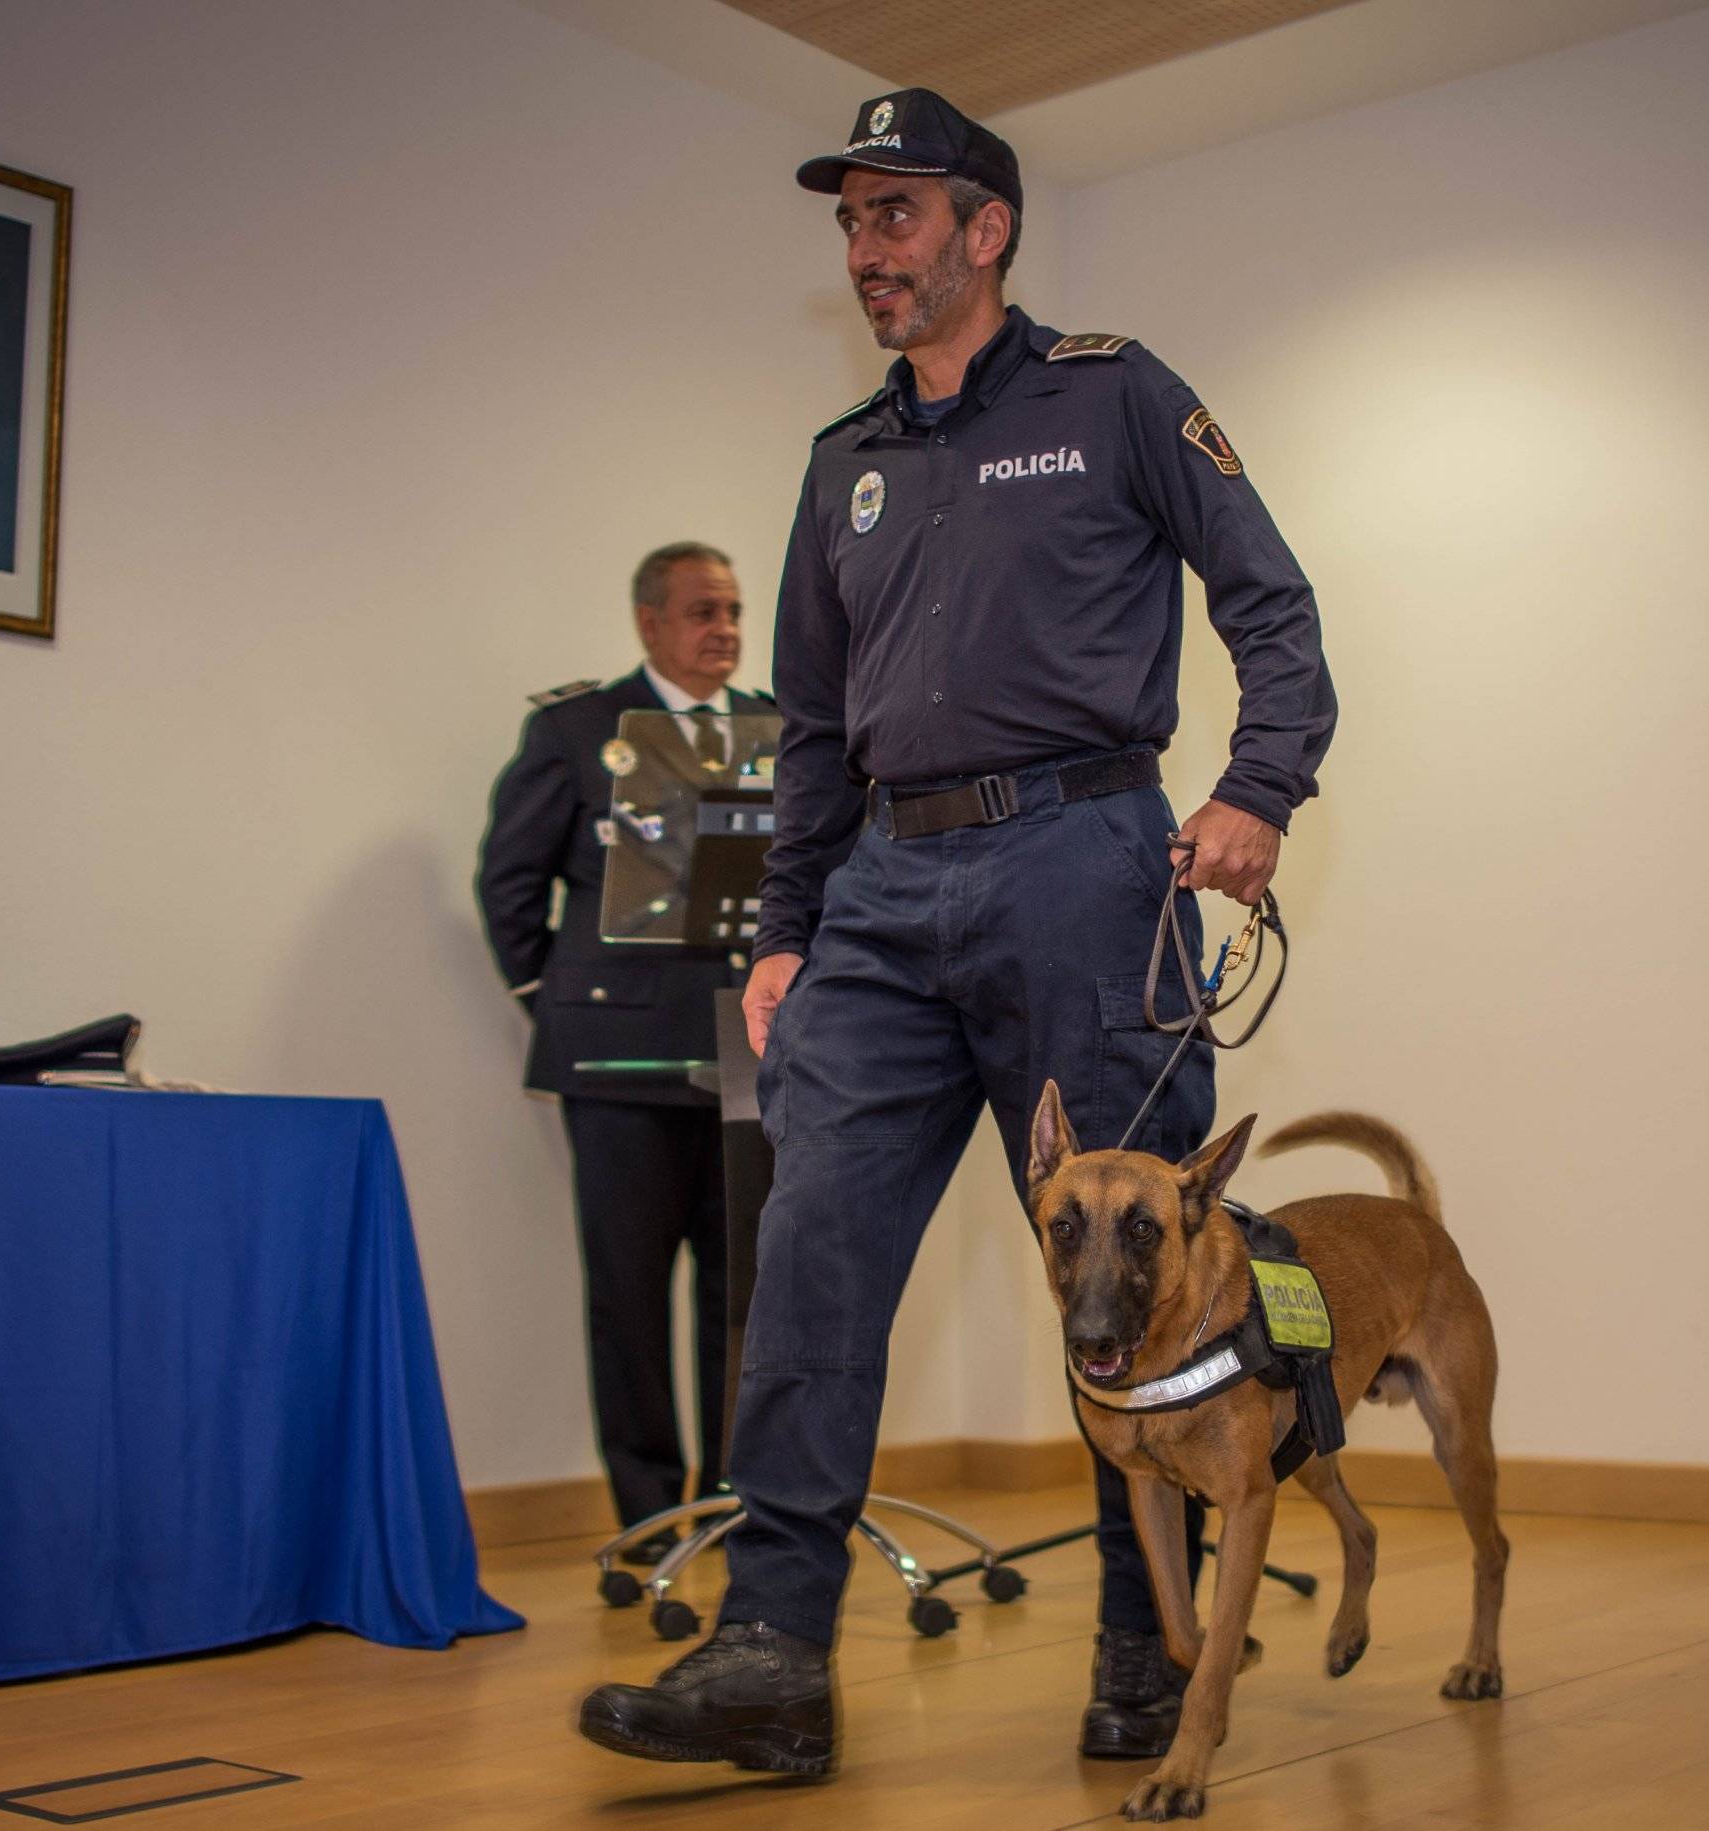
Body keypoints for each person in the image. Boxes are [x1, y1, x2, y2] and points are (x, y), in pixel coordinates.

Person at [578, 90, 1334, 1776]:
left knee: (1136, 1271)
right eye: (849, 223)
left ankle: (1144, 1654)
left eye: (896, 216)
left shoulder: (1117, 394)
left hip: (1082, 862)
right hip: (878, 902)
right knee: (812, 1258)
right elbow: (815, 728)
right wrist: (784, 928)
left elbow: (1273, 609)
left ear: (985, 228)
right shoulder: (843, 461)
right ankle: (772, 1652)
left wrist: (1259, 788)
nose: (866, 251)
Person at [476, 543, 777, 1560]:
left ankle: (736, 1505)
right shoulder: (573, 730)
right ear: (650, 622)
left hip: (745, 1056)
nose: (723, 628)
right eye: (701, 610)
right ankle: (650, 1521)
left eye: (733, 608)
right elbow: (507, 886)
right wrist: (557, 1006)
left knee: (742, 1295)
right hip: (615, 1060)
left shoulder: (782, 730)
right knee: (629, 1295)